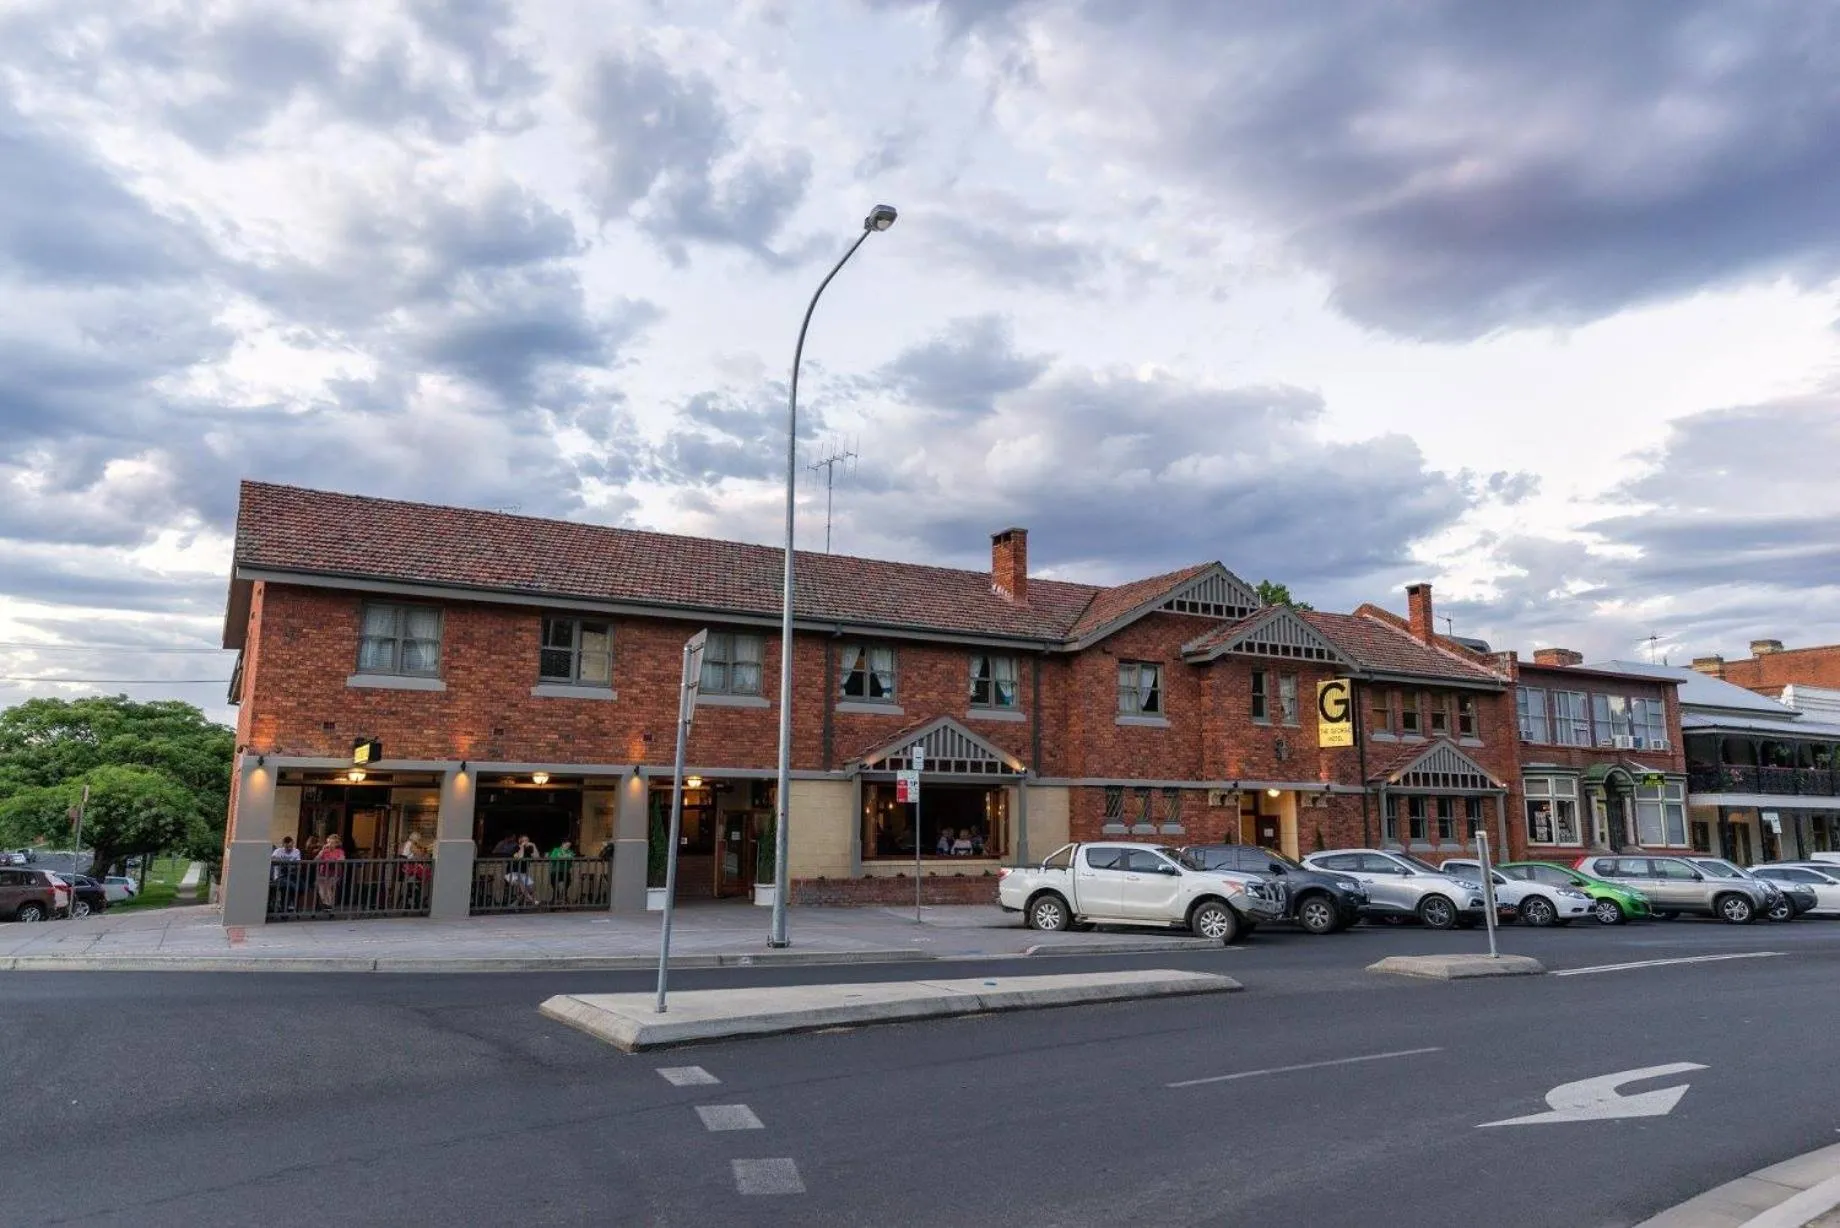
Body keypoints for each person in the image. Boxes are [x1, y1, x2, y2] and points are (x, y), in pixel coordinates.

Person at [315, 834, 346, 913]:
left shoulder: (339, 851)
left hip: (334, 874)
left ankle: (328, 904)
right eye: (328, 842)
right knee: (321, 884)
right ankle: (328, 904)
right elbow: (316, 860)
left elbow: (341, 859)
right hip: (323, 873)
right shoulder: (324, 851)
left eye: (332, 843)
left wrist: (333, 860)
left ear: (336, 844)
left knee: (328, 885)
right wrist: (322, 851)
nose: (330, 845)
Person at [270, 837, 302, 912]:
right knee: (289, 886)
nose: (289, 848)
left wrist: (290, 866)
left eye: (291, 846)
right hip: (280, 876)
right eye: (287, 847)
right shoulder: (278, 851)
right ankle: (286, 906)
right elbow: (273, 859)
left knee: (302, 886)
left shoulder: (296, 851)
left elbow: (298, 864)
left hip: (292, 875)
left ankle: (291, 904)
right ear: (283, 845)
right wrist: (284, 863)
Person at [505, 835, 537, 906]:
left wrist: (534, 846)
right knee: (521, 883)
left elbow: (536, 857)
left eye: (528, 840)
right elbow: (520, 858)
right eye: (524, 840)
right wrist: (522, 847)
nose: (526, 842)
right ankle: (533, 900)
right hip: (513, 873)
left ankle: (515, 903)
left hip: (523, 874)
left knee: (532, 888)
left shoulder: (528, 850)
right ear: (520, 841)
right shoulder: (515, 848)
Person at [547, 839, 576, 906]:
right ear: (563, 844)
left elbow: (572, 857)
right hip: (555, 871)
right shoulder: (556, 850)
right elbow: (552, 857)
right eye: (566, 845)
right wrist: (563, 857)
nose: (567, 847)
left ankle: (564, 898)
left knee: (567, 884)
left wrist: (564, 857)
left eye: (569, 846)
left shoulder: (570, 851)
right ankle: (554, 901)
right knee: (555, 888)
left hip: (565, 871)